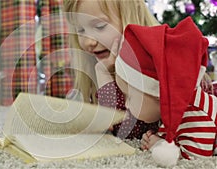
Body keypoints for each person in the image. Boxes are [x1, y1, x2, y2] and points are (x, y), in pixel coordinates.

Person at [115, 17, 217, 167]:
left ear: (158, 94)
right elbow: (176, 136)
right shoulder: (174, 108)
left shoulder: (196, 114)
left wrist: (159, 145)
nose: (126, 103)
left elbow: (197, 160)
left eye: (129, 97)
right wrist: (157, 139)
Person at [63, 0, 161, 139]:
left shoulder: (151, 65)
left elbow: (127, 130)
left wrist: (103, 75)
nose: (89, 41)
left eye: (100, 26)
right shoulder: (94, 64)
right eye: (81, 30)